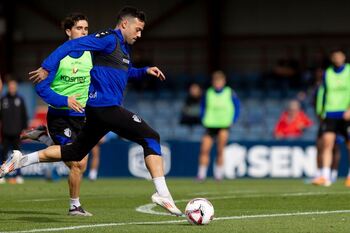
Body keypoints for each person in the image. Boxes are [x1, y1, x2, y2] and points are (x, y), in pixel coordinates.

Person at [0, 6, 182, 216]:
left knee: (75, 153)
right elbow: (74, 44)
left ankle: (20, 160)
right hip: (104, 108)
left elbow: (122, 73)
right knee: (151, 137)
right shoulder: (109, 39)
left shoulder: (122, 49)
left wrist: (144, 71)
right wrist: (47, 66)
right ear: (125, 24)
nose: (139, 34)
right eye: (138, 29)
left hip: (94, 112)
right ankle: (163, 194)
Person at [20, 13, 93, 216]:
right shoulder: (57, 57)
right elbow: (41, 89)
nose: (84, 32)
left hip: (83, 117)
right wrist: (65, 100)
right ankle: (74, 206)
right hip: (60, 116)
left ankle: (44, 138)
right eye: (79, 28)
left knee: (81, 163)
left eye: (86, 29)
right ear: (68, 32)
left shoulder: (91, 54)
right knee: (76, 161)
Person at [312, 49, 350, 187]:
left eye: (339, 56)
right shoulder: (327, 73)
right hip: (331, 113)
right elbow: (323, 92)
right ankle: (325, 176)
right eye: (335, 56)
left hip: (346, 114)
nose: (337, 58)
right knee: (327, 144)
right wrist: (320, 111)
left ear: (344, 57)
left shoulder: (349, 71)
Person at [197, 71, 240, 181]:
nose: (217, 83)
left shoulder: (229, 92)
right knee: (204, 150)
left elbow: (237, 107)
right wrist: (202, 118)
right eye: (216, 81)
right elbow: (202, 107)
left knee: (220, 150)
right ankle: (201, 175)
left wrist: (233, 120)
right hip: (210, 125)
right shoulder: (208, 93)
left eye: (219, 81)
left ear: (224, 82)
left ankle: (218, 175)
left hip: (223, 125)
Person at [0, 78, 28, 184]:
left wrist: (24, 130)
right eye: (10, 86)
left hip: (17, 133)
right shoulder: (3, 99)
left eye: (13, 87)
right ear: (8, 87)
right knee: (3, 154)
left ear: (16, 88)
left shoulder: (20, 99)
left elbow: (24, 116)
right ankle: (1, 175)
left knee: (18, 155)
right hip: (5, 132)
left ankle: (18, 175)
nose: (12, 88)